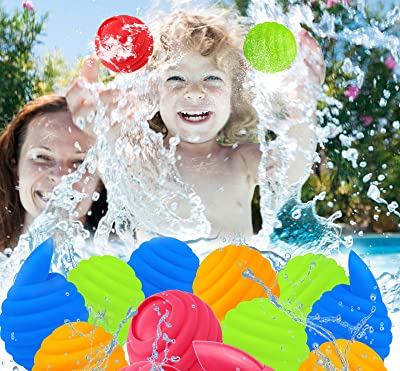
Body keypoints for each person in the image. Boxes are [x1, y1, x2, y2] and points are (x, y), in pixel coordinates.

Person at [66, 8, 325, 240]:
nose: (194, 92)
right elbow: (107, 150)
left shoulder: (241, 160)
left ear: (234, 97)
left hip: (234, 288)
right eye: (176, 78)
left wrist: (302, 108)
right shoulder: (143, 159)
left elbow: (292, 169)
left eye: (212, 78)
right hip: (160, 291)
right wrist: (94, 122)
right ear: (153, 93)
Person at [0, 94, 107, 253]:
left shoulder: (127, 253)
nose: (61, 176)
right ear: (15, 167)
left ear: (100, 180)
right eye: (42, 157)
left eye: (79, 161)